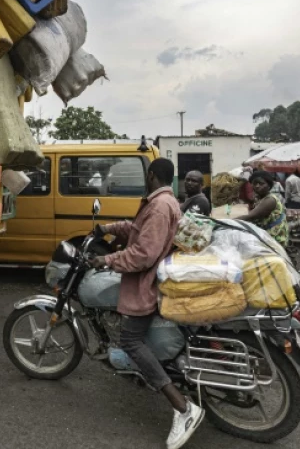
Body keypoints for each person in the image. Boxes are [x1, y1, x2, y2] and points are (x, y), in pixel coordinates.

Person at [88, 158, 203, 449]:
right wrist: (107, 228)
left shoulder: (159, 206)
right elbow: (136, 230)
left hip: (146, 284)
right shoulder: (164, 201)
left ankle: (183, 407)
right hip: (151, 279)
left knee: (131, 340)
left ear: (151, 175)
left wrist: (107, 259)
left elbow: (143, 254)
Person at [237, 171, 289, 245]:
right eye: (254, 184)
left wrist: (227, 221)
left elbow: (250, 216)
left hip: (275, 240)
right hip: (265, 236)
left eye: (261, 183)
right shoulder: (259, 198)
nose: (257, 186)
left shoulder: (270, 200)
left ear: (269, 185)